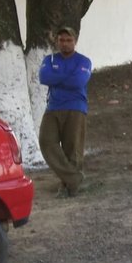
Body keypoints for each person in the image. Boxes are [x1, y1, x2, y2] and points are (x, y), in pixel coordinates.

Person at [38, 26, 92, 197]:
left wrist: (57, 77)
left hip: (75, 107)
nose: (65, 43)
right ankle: (75, 178)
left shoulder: (83, 61)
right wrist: (67, 76)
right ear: (57, 41)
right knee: (46, 142)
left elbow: (78, 81)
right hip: (53, 107)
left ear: (75, 41)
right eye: (62, 40)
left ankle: (69, 187)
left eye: (69, 40)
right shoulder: (50, 59)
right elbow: (44, 77)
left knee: (72, 148)